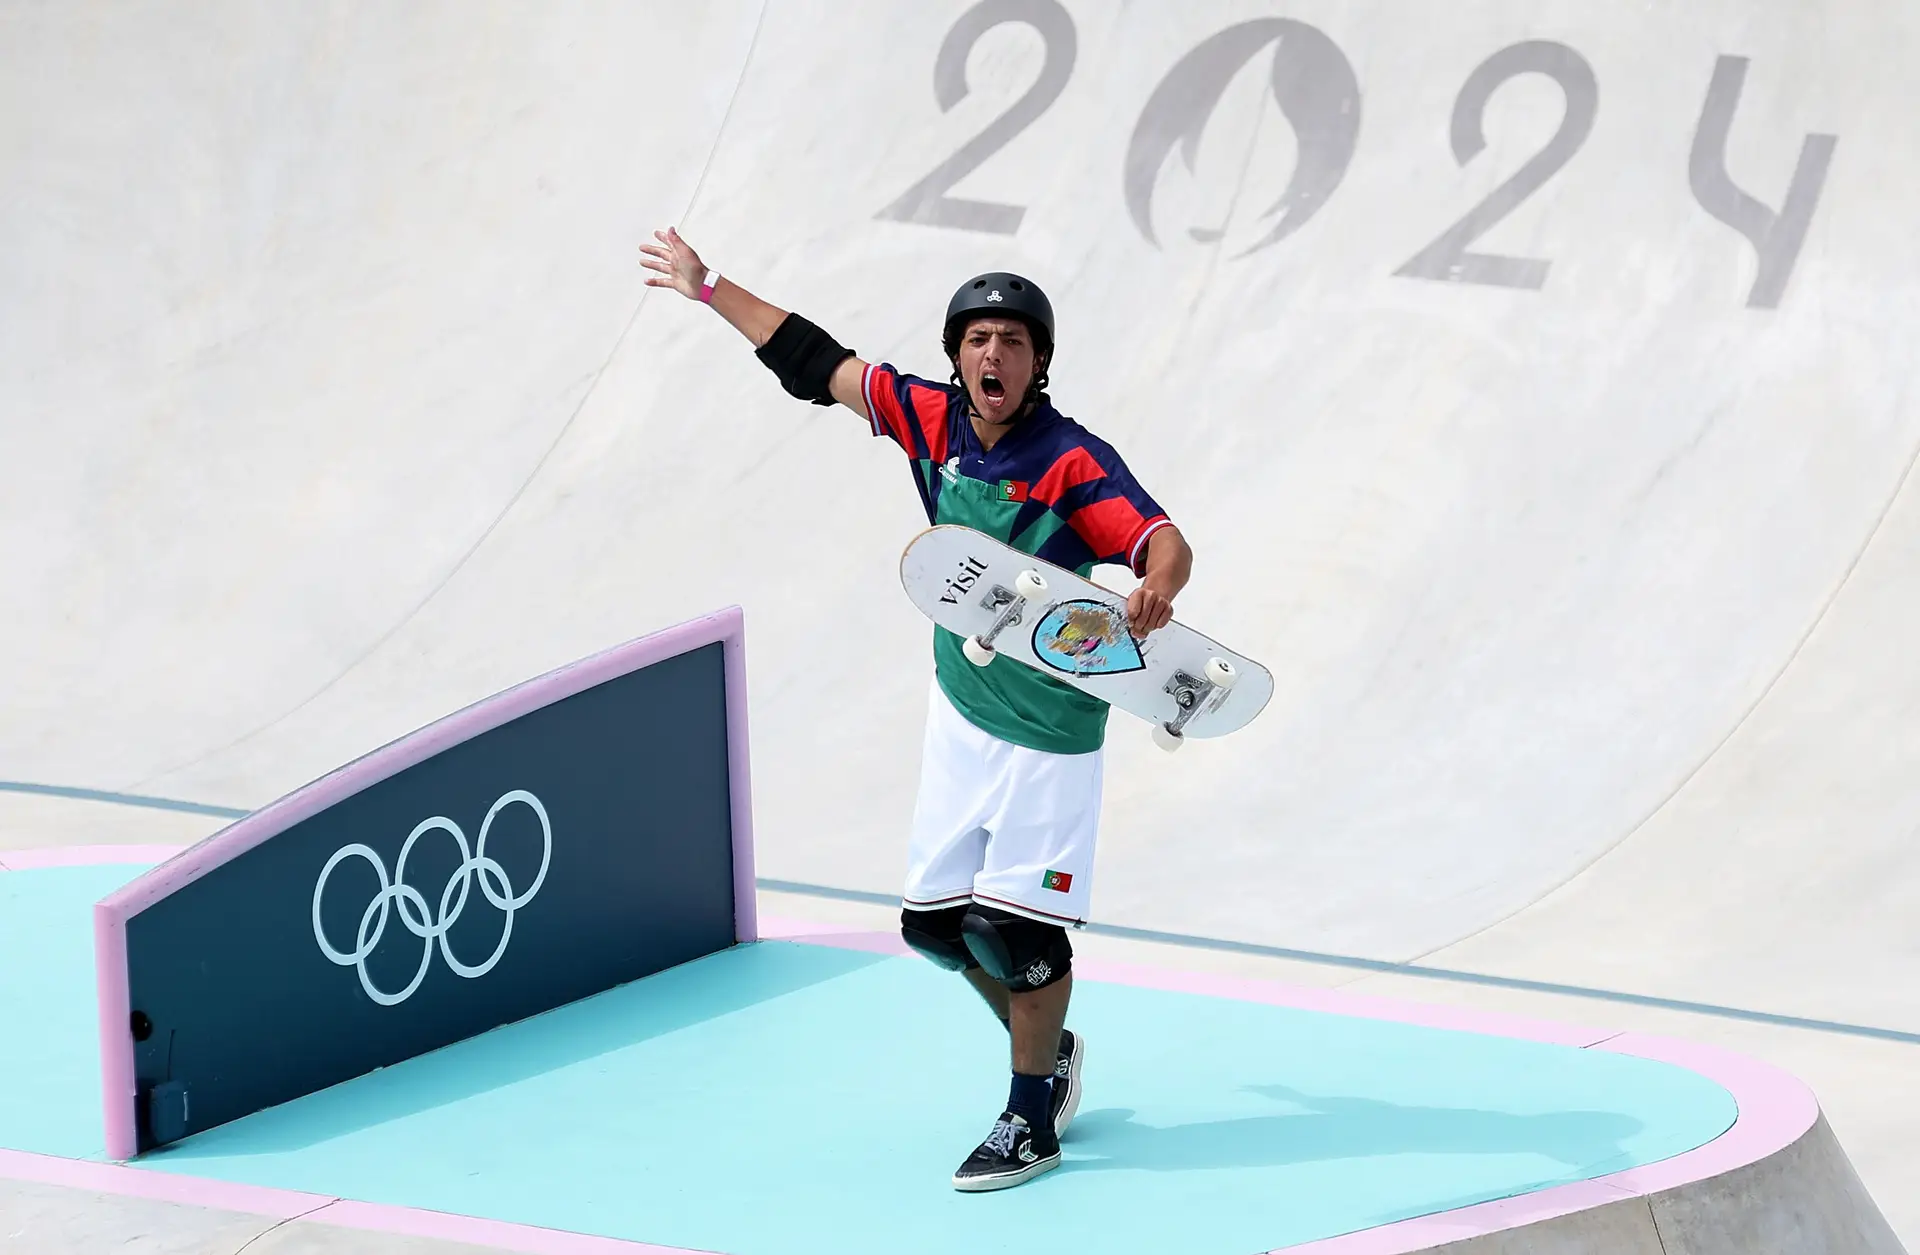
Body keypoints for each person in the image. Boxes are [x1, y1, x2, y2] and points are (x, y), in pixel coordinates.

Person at [639, 227, 1193, 1191]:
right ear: (956, 353)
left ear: (1038, 363)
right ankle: (1051, 1052)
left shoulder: (1071, 460)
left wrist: (1156, 583)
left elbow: (1160, 536)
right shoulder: (929, 419)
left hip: (1053, 731)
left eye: (1014, 342)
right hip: (962, 710)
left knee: (1019, 929)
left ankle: (1032, 1117)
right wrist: (707, 285)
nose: (994, 355)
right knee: (936, 928)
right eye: (979, 338)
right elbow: (814, 361)